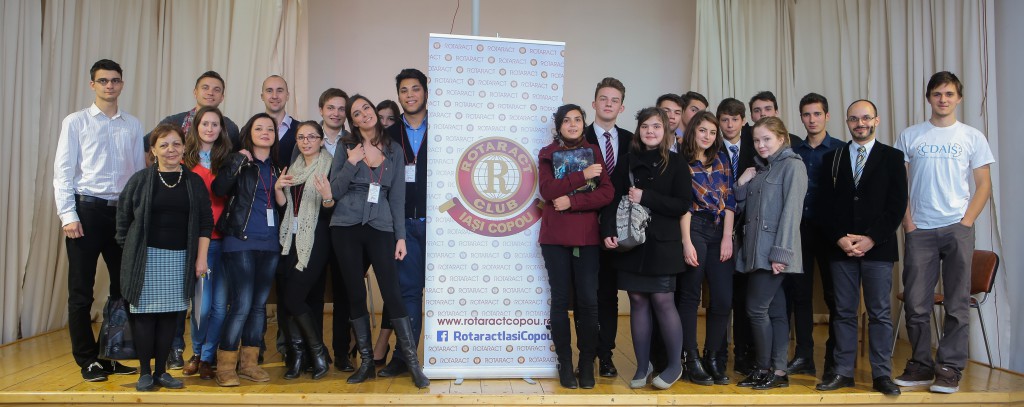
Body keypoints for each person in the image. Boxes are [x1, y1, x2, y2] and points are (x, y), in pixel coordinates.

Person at [893, 71, 994, 394]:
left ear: (958, 98)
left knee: (957, 304)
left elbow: (983, 185)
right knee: (916, 303)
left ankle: (949, 368)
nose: (943, 99)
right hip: (920, 229)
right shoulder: (911, 135)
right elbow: (898, 184)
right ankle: (921, 365)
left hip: (956, 229)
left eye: (949, 94)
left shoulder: (972, 137)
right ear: (928, 98)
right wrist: (908, 223)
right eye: (937, 94)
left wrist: (966, 222)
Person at [53, 58, 145, 382]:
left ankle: (112, 352)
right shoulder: (75, 122)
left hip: (121, 215)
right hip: (86, 212)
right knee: (81, 291)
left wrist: (136, 217)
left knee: (123, 288)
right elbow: (63, 171)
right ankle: (87, 359)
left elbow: (137, 174)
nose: (109, 85)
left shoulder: (132, 124)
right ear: (92, 84)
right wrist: (68, 215)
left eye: (115, 80)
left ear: (122, 84)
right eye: (103, 80)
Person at [331, 94, 429, 388]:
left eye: (366, 108)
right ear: (353, 121)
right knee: (355, 293)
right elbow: (334, 190)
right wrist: (351, 162)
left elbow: (397, 197)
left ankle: (412, 363)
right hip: (346, 225)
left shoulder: (394, 148)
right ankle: (366, 364)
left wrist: (401, 237)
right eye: (357, 113)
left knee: (393, 292)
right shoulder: (346, 146)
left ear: (374, 111)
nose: (364, 114)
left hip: (381, 225)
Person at [816, 99, 907, 395]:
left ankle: (881, 374)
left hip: (878, 248)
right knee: (843, 311)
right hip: (841, 249)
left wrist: (871, 238)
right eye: (854, 119)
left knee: (879, 312)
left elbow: (897, 205)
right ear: (847, 122)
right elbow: (823, 205)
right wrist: (840, 238)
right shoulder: (833, 157)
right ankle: (843, 372)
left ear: (876, 121)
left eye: (866, 118)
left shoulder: (892, 157)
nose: (860, 123)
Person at [116, 124, 213, 391]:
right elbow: (123, 219)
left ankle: (162, 371)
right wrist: (132, 251)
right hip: (145, 260)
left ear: (184, 147)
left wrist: (201, 259)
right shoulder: (140, 180)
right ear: (153, 150)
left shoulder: (193, 182)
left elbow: (206, 222)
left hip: (180, 259)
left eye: (176, 144)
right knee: (145, 317)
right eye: (164, 145)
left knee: (171, 318)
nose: (171, 149)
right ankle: (145, 372)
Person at [602, 107, 691, 390]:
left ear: (665, 130)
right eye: (645, 126)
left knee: (663, 301)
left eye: (656, 126)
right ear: (638, 130)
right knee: (637, 300)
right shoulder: (627, 161)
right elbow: (612, 200)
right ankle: (643, 365)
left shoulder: (676, 163)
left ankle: (675, 365)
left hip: (663, 245)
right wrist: (608, 231)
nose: (650, 131)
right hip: (632, 244)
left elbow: (682, 204)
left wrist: (646, 197)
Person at [538, 104, 614, 389]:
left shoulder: (593, 152)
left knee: (588, 302)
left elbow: (607, 192)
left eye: (578, 120)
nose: (572, 124)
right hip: (555, 239)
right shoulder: (547, 153)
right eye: (567, 121)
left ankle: (586, 363)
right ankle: (565, 364)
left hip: (587, 239)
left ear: (584, 123)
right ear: (558, 126)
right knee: (560, 302)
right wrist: (582, 175)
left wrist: (573, 201)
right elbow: (547, 191)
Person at [733, 116, 807, 390]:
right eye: (756, 140)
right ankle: (778, 371)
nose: (761, 145)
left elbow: (791, 213)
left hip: (774, 253)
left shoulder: (793, 166)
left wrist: (781, 253)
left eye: (767, 139)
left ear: (781, 138)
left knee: (755, 308)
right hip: (755, 251)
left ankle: (764, 369)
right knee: (775, 312)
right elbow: (742, 207)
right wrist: (742, 182)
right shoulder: (762, 169)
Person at [210, 113, 282, 387]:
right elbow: (219, 189)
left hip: (270, 243)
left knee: (258, 307)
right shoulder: (238, 161)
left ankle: (249, 364)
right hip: (240, 241)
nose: (265, 132)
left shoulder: (277, 168)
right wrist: (237, 162)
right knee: (241, 304)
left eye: (270, 129)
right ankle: (226, 366)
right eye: (258, 128)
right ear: (248, 134)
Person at [377, 69, 430, 380]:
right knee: (408, 292)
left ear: (425, 92)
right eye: (404, 90)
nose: (410, 95)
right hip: (403, 226)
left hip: (442, 225)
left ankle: (451, 353)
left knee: (448, 290)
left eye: (415, 89)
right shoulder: (388, 134)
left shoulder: (445, 127)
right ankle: (404, 357)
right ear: (398, 95)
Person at [274, 121, 336, 380]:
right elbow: (284, 207)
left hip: (317, 239)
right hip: (290, 238)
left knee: (294, 297)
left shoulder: (330, 165)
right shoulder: (294, 167)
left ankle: (318, 353)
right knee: (295, 299)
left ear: (321, 140)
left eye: (312, 137)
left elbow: (332, 210)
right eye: (301, 137)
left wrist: (328, 196)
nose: (306, 141)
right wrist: (278, 188)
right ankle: (300, 357)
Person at [677, 111, 735, 385]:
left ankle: (712, 357)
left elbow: (730, 199)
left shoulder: (722, 159)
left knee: (722, 299)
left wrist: (727, 237)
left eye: (712, 132)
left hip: (720, 230)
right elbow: (684, 204)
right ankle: (691, 358)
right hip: (694, 227)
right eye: (702, 131)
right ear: (693, 131)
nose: (707, 136)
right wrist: (686, 242)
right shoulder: (681, 161)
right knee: (690, 296)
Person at [786, 93, 842, 377]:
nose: (812, 119)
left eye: (817, 114)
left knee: (835, 296)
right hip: (800, 231)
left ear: (827, 116)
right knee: (800, 295)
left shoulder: (841, 150)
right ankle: (804, 356)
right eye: (807, 115)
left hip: (832, 233)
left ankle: (834, 357)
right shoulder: (794, 151)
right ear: (801, 118)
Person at [582, 77, 633, 378]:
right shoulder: (580, 138)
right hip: (585, 225)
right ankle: (586, 355)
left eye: (614, 100)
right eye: (603, 98)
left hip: (619, 228)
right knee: (587, 294)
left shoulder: (631, 140)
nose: (608, 104)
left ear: (621, 107)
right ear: (594, 103)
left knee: (609, 295)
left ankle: (606, 355)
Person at [179, 106, 233, 380]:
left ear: (221, 129)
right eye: (205, 123)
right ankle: (197, 352)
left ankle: (208, 357)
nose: (210, 128)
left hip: (226, 241)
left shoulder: (228, 161)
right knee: (202, 304)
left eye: (215, 124)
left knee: (220, 306)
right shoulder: (184, 161)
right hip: (201, 242)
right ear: (196, 127)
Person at [716, 97, 755, 375]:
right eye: (724, 119)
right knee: (721, 297)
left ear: (743, 121)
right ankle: (717, 353)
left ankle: (742, 354)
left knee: (744, 296)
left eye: (734, 119)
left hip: (749, 229)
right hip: (718, 229)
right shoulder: (711, 146)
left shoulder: (756, 147)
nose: (729, 125)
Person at [371, 97, 402, 367]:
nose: (384, 123)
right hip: (364, 224)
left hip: (395, 222)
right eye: (379, 118)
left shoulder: (397, 148)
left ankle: (383, 341)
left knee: (395, 288)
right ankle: (354, 342)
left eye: (390, 119)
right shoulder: (361, 146)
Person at [262, 75, 298, 168]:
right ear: (262, 96)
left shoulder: (301, 131)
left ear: (287, 96)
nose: (274, 96)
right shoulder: (249, 130)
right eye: (269, 91)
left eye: (280, 90)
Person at [319, 88, 350, 156]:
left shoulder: (353, 141)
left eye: (342, 109)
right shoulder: (306, 139)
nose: (336, 114)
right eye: (330, 108)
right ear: (321, 111)